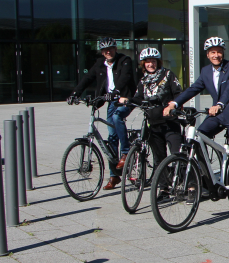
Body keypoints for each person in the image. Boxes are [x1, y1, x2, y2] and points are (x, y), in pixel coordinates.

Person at [164, 37, 229, 218]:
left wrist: (220, 104)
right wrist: (174, 103)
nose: (216, 55)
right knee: (199, 136)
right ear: (207, 54)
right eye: (212, 52)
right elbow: (193, 88)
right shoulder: (205, 71)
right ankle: (209, 181)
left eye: (219, 51)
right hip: (217, 115)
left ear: (223, 53)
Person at [68, 37, 135, 190]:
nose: (108, 52)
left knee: (118, 117)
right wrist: (75, 93)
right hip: (111, 101)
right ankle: (114, 176)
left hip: (125, 99)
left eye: (110, 48)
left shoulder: (125, 60)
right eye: (105, 50)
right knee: (111, 138)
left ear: (115, 48)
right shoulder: (100, 63)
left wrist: (117, 91)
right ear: (102, 52)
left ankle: (125, 153)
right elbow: (87, 78)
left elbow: (126, 77)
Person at [119, 48, 183, 165]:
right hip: (153, 124)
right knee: (159, 159)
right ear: (143, 64)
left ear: (158, 62)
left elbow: (178, 93)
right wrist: (128, 100)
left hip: (169, 122)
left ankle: (186, 181)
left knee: (177, 155)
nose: (150, 64)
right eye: (147, 61)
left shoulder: (168, 75)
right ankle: (162, 183)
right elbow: (139, 98)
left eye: (153, 61)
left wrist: (174, 105)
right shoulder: (143, 80)